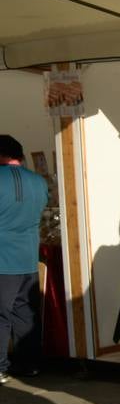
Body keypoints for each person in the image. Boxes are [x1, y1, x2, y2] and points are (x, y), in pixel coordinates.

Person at [0, 134, 47, 384]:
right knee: (25, 313)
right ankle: (28, 364)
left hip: (2, 257)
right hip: (28, 256)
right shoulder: (38, 182)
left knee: (1, 315)